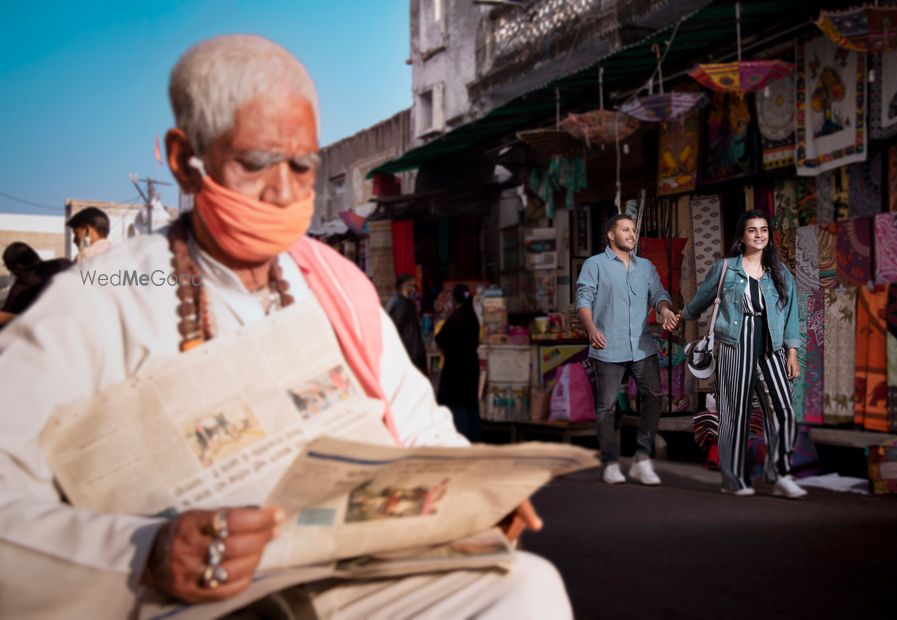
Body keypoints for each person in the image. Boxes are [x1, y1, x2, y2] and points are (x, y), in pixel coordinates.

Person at [0, 35, 571, 618]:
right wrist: (146, 553)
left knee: (524, 586)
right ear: (183, 160)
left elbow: (419, 427)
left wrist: (480, 498)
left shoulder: (335, 288)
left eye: (301, 166)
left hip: (348, 585)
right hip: (186, 601)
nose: (282, 191)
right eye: (254, 162)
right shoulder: (103, 299)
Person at [680, 209, 807, 499]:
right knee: (734, 414)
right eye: (752, 230)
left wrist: (792, 353)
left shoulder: (780, 272)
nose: (759, 235)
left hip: (771, 346)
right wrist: (679, 315)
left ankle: (780, 473)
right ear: (741, 236)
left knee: (783, 409)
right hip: (734, 345)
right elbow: (699, 302)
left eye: (763, 229)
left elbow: (791, 315)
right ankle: (734, 477)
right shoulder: (726, 269)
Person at [576, 214, 680, 485]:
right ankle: (610, 462)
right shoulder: (594, 264)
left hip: (642, 345)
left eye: (634, 229)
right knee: (607, 407)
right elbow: (583, 298)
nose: (632, 234)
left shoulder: (645, 267)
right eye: (626, 229)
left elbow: (658, 293)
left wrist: (665, 309)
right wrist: (591, 328)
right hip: (608, 344)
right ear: (611, 235)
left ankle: (642, 459)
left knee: (655, 396)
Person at [435, 283, 482, 441]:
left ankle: (463, 441)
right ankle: (474, 440)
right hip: (470, 367)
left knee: (458, 407)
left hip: (457, 368)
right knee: (471, 405)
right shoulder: (472, 316)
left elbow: (441, 338)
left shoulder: (457, 317)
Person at [0, 242, 71, 327]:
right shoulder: (64, 264)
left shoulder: (20, 288)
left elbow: (6, 325)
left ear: (18, 269)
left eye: (10, 269)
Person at [386, 273, 427, 374]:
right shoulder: (399, 303)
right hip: (408, 350)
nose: (415, 289)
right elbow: (396, 327)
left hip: (414, 349)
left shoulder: (407, 301)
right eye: (412, 285)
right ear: (405, 286)